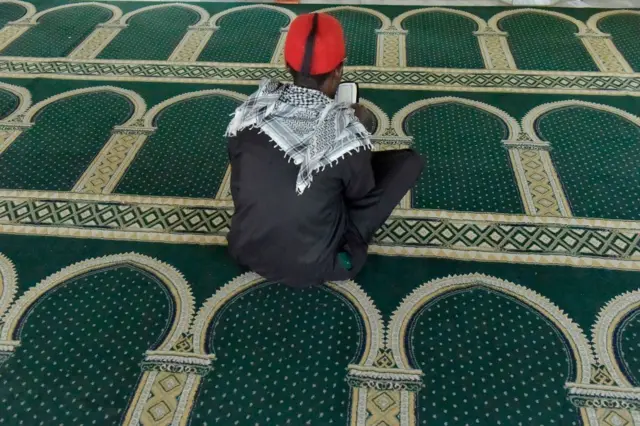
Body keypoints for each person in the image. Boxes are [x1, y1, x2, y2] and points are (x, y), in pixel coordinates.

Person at [226, 12, 423, 288]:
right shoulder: (347, 134)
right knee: (408, 163)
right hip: (324, 264)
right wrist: (358, 129)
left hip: (245, 250)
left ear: (287, 64)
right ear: (339, 70)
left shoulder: (250, 113)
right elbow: (361, 196)